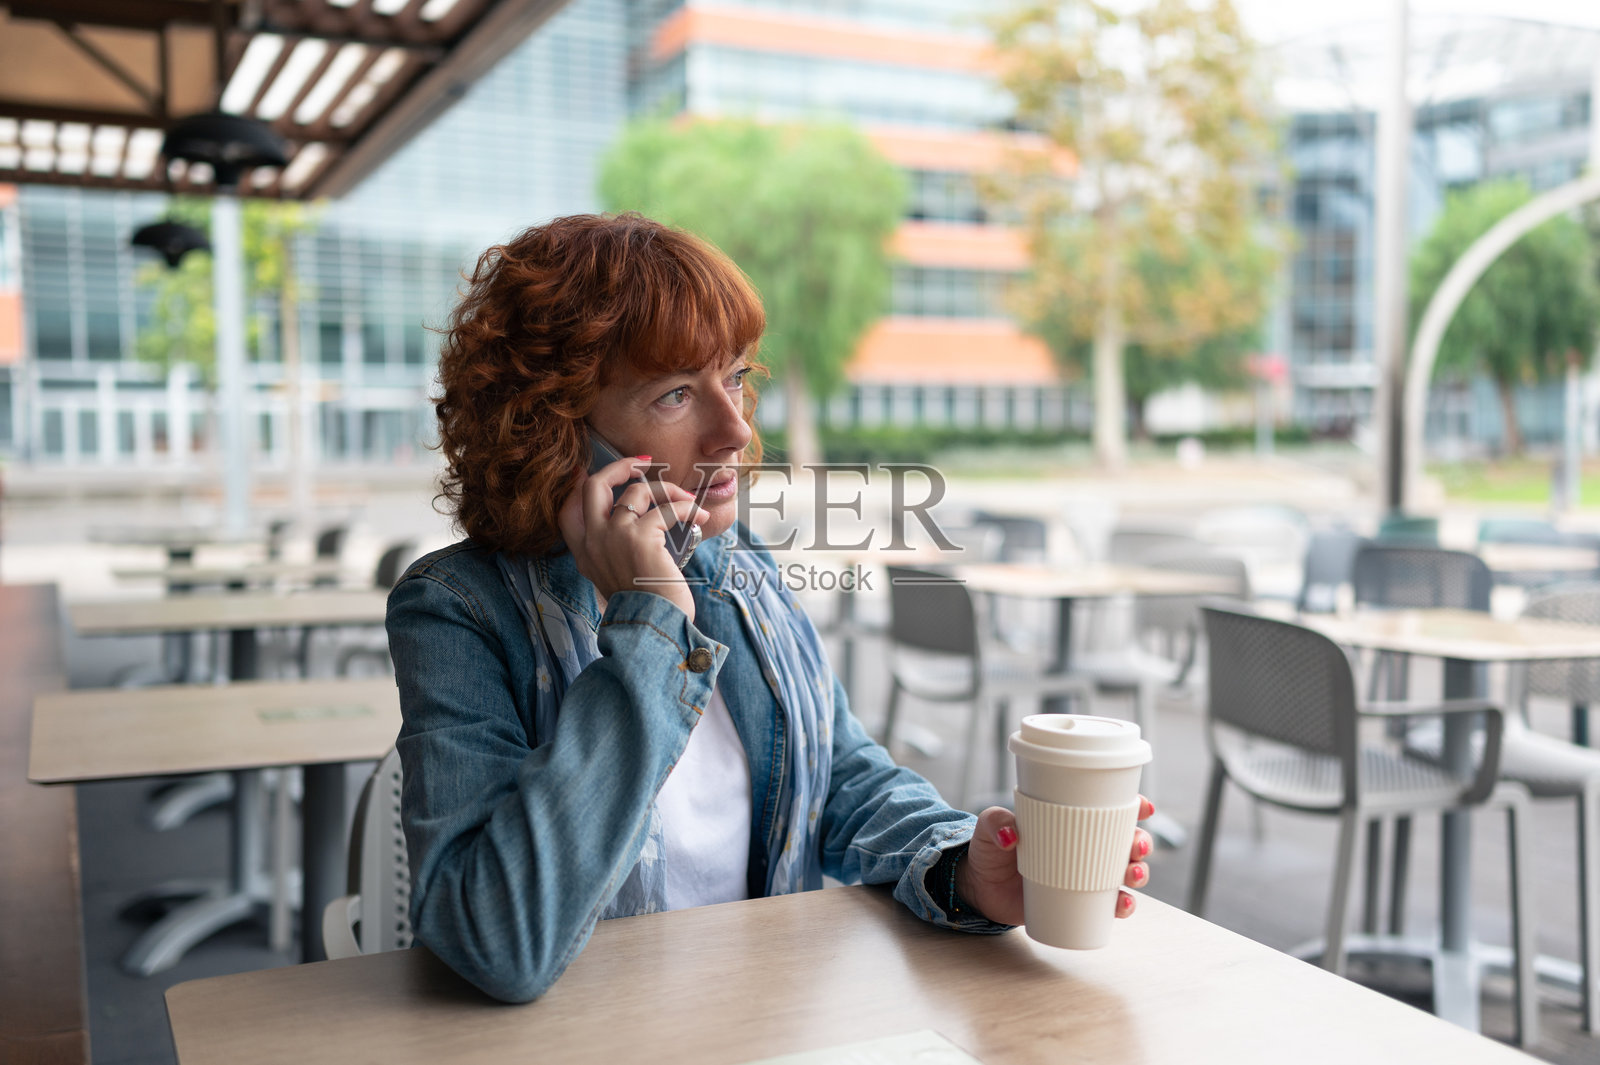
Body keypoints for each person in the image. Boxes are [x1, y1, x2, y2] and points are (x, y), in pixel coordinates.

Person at [387, 212, 1154, 1004]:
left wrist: (963, 866)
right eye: (678, 393)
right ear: (556, 432)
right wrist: (651, 623)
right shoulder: (456, 610)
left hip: (759, 1023)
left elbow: (840, 776)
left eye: (738, 377)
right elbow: (496, 938)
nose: (735, 428)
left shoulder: (733, 561)